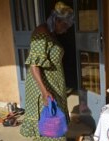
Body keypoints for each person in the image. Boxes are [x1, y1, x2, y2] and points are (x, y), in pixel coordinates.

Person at [20, 2, 73, 141]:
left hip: (54, 85)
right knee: (50, 125)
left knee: (55, 124)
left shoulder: (51, 33)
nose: (66, 29)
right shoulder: (40, 34)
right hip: (43, 88)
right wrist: (45, 92)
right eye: (65, 25)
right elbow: (34, 66)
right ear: (57, 20)